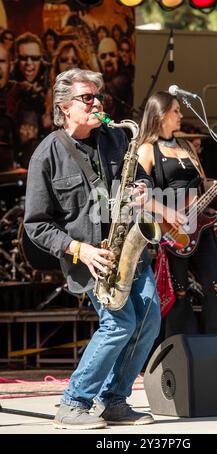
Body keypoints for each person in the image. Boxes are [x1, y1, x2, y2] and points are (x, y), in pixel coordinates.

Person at [24, 68, 161, 430]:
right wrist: (79, 250)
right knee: (119, 324)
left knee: (148, 322)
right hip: (90, 258)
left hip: (130, 251)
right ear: (65, 107)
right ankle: (73, 402)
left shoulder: (116, 140)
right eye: (88, 98)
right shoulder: (47, 155)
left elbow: (140, 177)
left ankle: (114, 401)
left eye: (98, 96)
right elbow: (35, 225)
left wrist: (145, 188)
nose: (97, 103)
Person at [138, 91, 217, 336]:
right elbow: (137, 194)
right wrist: (165, 211)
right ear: (161, 114)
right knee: (179, 292)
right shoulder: (147, 150)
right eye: (176, 110)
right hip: (171, 229)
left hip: (200, 225)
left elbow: (203, 185)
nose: (180, 115)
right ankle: (181, 350)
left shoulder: (187, 146)